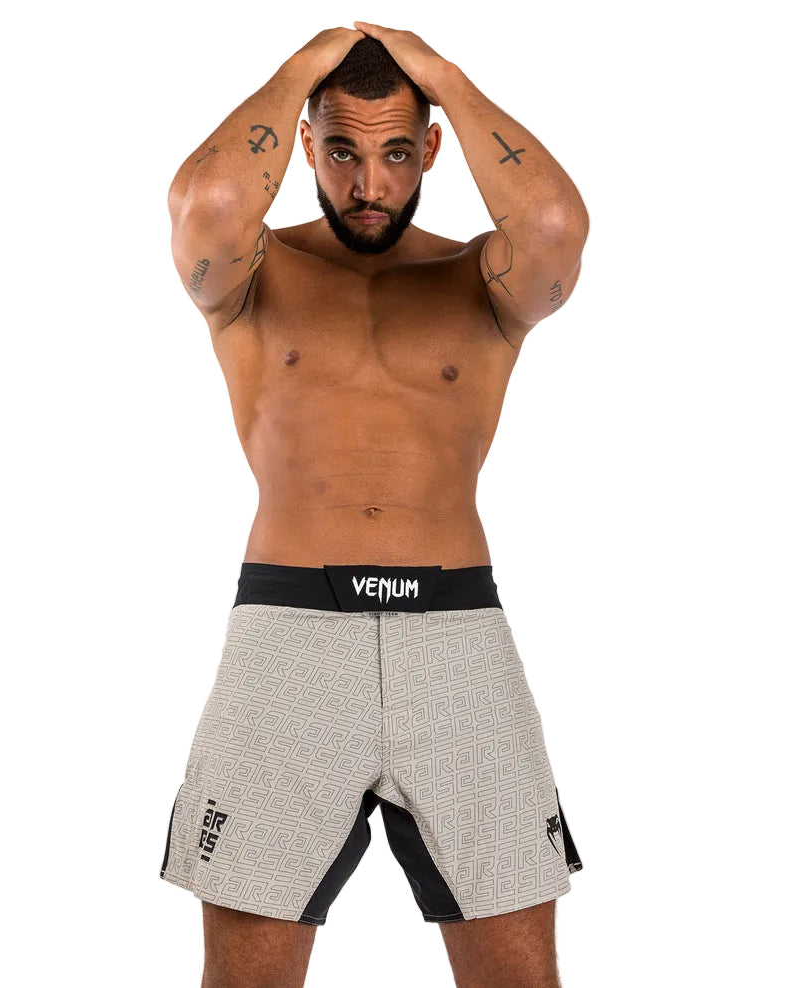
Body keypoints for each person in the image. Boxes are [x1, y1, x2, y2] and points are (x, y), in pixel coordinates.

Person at [160, 22, 588, 988]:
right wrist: (305, 65)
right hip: (287, 638)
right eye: (342, 151)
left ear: (431, 148)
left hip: (458, 640)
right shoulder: (251, 277)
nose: (368, 185)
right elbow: (215, 199)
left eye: (396, 153)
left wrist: (444, 77)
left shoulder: (480, 281)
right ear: (305, 145)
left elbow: (556, 230)